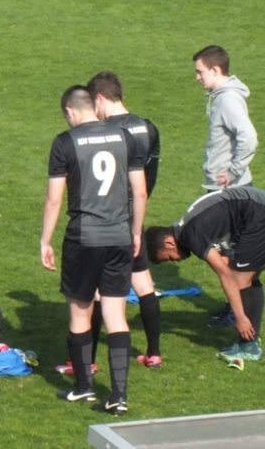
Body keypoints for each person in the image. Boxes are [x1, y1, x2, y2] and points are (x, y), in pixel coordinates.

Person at [40, 86, 146, 416]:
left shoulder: (65, 142)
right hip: (119, 237)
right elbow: (140, 192)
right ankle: (119, 395)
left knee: (79, 313)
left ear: (70, 111)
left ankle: (84, 386)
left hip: (83, 238)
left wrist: (45, 240)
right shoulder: (125, 137)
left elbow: (54, 198)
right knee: (116, 315)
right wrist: (136, 232)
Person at [146, 186, 265, 364]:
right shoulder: (187, 227)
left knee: (241, 280)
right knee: (246, 278)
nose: (175, 261)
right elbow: (225, 263)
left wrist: (240, 317)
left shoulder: (191, 233)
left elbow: (225, 274)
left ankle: (249, 346)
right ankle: (251, 341)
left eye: (169, 258)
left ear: (169, 242)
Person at [87, 71, 163, 368]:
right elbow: (149, 178)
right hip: (135, 214)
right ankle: (153, 353)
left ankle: (88, 361)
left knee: (96, 290)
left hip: (108, 217)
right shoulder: (148, 127)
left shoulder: (103, 132)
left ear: (100, 99)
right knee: (143, 283)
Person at [193, 45, 258, 190]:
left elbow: (249, 138)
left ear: (215, 70)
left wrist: (233, 173)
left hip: (230, 187)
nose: (197, 77)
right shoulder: (224, 97)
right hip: (225, 186)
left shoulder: (228, 100)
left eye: (200, 72)